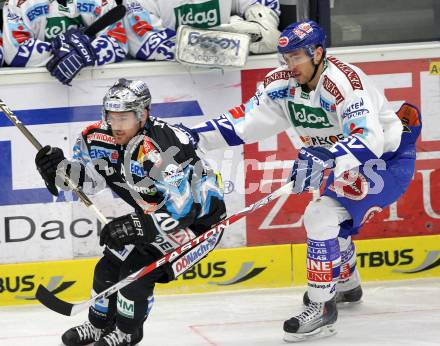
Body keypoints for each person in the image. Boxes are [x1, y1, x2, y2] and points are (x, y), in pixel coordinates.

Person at [177, 20, 422, 342]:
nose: (289, 66)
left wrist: (328, 157)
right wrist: (193, 136)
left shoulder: (344, 84)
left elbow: (369, 138)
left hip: (383, 162)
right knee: (333, 222)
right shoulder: (281, 84)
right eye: (285, 58)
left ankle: (322, 308)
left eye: (296, 57)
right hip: (341, 161)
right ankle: (346, 285)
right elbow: (245, 122)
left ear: (318, 53)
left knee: (320, 216)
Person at [35, 78, 226, 346]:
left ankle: (127, 331)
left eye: (124, 118)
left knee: (136, 275)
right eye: (111, 116)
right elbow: (92, 179)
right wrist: (59, 171)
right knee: (107, 268)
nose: (116, 125)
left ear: (142, 114)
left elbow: (184, 207)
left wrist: (137, 226)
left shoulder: (163, 146)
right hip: (153, 217)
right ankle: (98, 324)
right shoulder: (98, 138)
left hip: (198, 225)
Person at [3, 0, 127, 85]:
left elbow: (118, 40)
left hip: (91, 86)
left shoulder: (101, 2)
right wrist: (61, 50)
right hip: (35, 91)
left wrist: (87, 52)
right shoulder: (19, 4)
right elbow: (15, 51)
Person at [123, 0, 281, 61]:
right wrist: (230, 41)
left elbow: (265, 12)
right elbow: (147, 44)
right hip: (169, 84)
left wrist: (259, 29)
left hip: (228, 80)